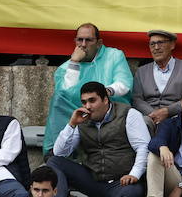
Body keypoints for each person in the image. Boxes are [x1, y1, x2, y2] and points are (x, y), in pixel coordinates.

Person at [44, 24, 131, 158]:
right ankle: (57, 153)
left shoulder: (114, 55)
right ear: (75, 41)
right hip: (78, 110)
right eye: (80, 40)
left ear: (99, 43)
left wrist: (105, 92)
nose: (83, 44)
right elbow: (65, 92)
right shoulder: (66, 67)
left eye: (89, 40)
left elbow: (124, 83)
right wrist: (74, 62)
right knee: (58, 99)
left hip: (108, 107)